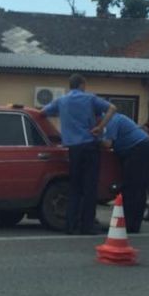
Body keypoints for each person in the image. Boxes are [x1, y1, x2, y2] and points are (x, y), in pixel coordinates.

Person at [41, 74, 117, 235]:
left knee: (75, 187)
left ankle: (70, 225)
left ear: (70, 85)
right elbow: (112, 108)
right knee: (90, 187)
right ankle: (87, 225)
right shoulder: (90, 99)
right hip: (89, 145)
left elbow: (42, 112)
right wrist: (100, 126)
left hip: (73, 149)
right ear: (83, 84)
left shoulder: (61, 101)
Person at [100, 113, 149, 234]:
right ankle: (132, 223)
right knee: (137, 188)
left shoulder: (112, 121)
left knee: (132, 188)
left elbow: (108, 143)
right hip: (142, 147)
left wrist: (94, 137)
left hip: (138, 149)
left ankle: (130, 225)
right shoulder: (118, 118)